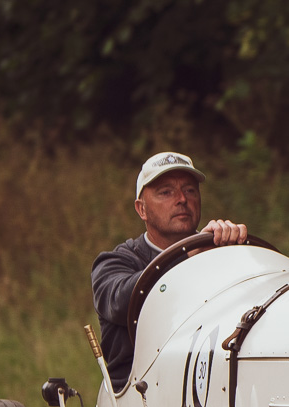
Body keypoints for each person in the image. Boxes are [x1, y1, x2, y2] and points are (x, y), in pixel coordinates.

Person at [91, 151, 248, 390]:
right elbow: (121, 301)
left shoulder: (221, 252)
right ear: (141, 209)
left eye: (190, 190)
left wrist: (238, 251)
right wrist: (188, 258)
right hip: (138, 400)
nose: (182, 199)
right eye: (166, 192)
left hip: (218, 387)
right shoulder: (114, 263)